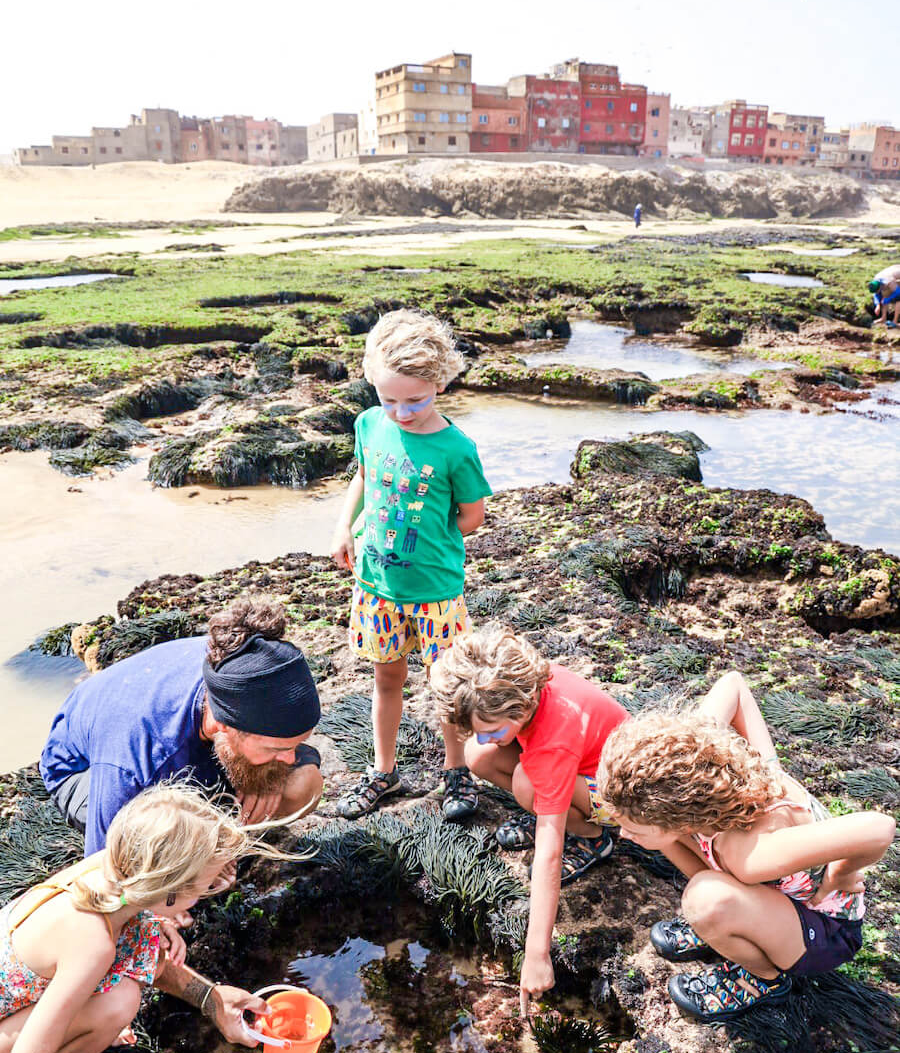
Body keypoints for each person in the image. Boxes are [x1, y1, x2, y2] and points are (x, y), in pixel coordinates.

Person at [597, 671, 896, 1023]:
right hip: (767, 893)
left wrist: (839, 874)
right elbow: (733, 685)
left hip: (825, 930)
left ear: (683, 818)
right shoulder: (693, 766)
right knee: (674, 856)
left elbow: (879, 828)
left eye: (632, 828)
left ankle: (763, 978)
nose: (625, 835)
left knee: (704, 900)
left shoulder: (750, 855)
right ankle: (729, 922)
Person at [0, 783, 293, 1053]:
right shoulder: (92, 942)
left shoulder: (110, 873)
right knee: (120, 1000)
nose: (209, 890)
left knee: (121, 991)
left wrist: (212, 999)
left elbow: (142, 954)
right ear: (166, 892)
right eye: (202, 887)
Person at [329, 309, 491, 821]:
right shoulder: (368, 424)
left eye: (415, 400)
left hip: (437, 591)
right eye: (389, 398)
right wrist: (343, 527)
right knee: (386, 678)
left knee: (447, 685)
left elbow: (472, 516)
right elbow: (363, 475)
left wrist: (429, 541)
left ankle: (456, 770)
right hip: (376, 587)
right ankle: (383, 769)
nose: (401, 412)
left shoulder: (455, 448)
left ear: (440, 383)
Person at [430, 626, 628, 1016]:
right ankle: (551, 804)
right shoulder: (521, 682)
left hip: (620, 794)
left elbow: (548, 855)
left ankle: (591, 837)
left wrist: (536, 954)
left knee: (527, 784)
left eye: (493, 729)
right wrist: (492, 737)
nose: (487, 737)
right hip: (576, 768)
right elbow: (485, 742)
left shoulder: (553, 737)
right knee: (477, 755)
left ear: (520, 708)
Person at [41, 598, 323, 857]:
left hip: (193, 745)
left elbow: (293, 760)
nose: (289, 757)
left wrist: (267, 777)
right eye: (279, 748)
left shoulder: (235, 661)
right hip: (82, 771)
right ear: (224, 725)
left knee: (303, 785)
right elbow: (104, 869)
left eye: (294, 745)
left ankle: (221, 841)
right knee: (167, 839)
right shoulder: (135, 756)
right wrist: (156, 899)